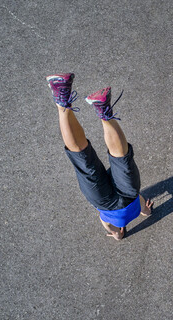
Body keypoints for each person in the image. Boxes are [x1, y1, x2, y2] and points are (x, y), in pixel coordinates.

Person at [46, 73, 153, 241]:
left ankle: (104, 112)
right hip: (105, 204)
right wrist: (117, 235)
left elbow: (143, 208)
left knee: (122, 160)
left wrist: (145, 211)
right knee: (83, 161)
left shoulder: (137, 202)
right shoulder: (108, 219)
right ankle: (62, 99)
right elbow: (111, 228)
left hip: (130, 195)